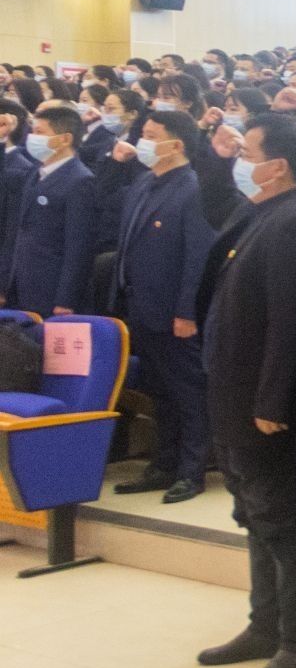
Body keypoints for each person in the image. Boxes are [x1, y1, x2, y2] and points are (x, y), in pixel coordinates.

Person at [194, 114, 296, 668]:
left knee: (281, 520)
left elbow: (291, 324)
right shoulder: (263, 212)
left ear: (277, 166)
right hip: (234, 390)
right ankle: (264, 626)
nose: (239, 161)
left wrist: (273, 400)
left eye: (248, 153)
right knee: (253, 514)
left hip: (264, 403)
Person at [105, 109, 215, 504]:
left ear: (176, 144)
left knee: (188, 393)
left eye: (152, 135)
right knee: (160, 392)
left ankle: (191, 471)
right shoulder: (143, 182)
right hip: (140, 305)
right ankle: (162, 464)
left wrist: (187, 311)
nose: (143, 141)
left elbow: (197, 257)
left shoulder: (194, 188)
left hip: (173, 312)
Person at [6, 105, 97, 316]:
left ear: (65, 139)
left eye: (40, 132)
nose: (32, 138)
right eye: (32, 131)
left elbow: (79, 246)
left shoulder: (80, 181)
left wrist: (66, 298)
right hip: (22, 280)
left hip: (51, 288)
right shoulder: (36, 171)